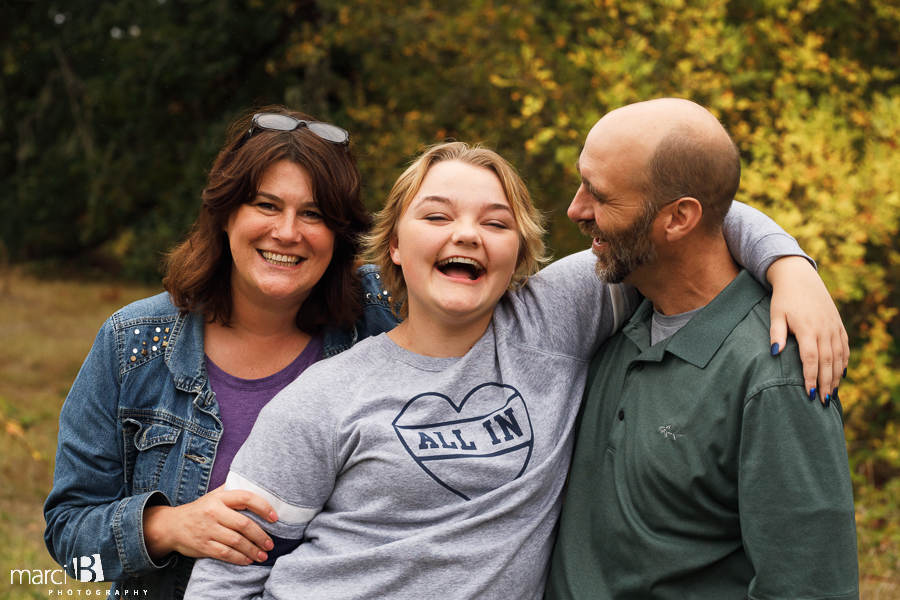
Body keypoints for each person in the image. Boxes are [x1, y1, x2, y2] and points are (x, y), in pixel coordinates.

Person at [185, 141, 846, 600]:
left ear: (521, 250)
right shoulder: (322, 398)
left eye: (494, 222)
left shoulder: (555, 318)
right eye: (437, 216)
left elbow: (687, 215)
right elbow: (229, 570)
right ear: (393, 242)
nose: (466, 234)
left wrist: (790, 268)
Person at [43, 106, 399, 599]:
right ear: (226, 214)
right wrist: (167, 526)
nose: (289, 232)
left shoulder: (382, 324)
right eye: (267, 205)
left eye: (313, 214)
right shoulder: (133, 344)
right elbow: (69, 535)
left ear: (339, 235)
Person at [545, 99, 858, 599]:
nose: (576, 209)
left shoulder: (773, 374)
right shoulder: (614, 317)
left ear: (678, 219)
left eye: (600, 196)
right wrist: (788, 260)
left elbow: (809, 586)